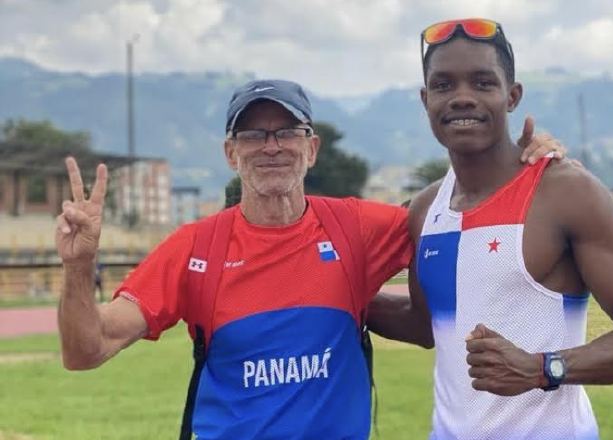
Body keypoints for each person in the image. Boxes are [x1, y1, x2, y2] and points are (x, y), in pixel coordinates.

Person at [55, 78, 563, 439]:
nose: (270, 147)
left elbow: (454, 213)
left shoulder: (356, 227)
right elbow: (87, 350)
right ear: (231, 153)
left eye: (287, 132)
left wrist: (519, 164)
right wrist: (79, 267)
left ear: (311, 148)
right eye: (253, 134)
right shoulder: (196, 248)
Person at [367, 18, 613, 440]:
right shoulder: (424, 210)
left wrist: (542, 368)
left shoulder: (566, 192)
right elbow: (425, 326)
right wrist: (342, 297)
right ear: (425, 100)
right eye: (443, 86)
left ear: (512, 97)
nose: (461, 98)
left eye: (481, 83)